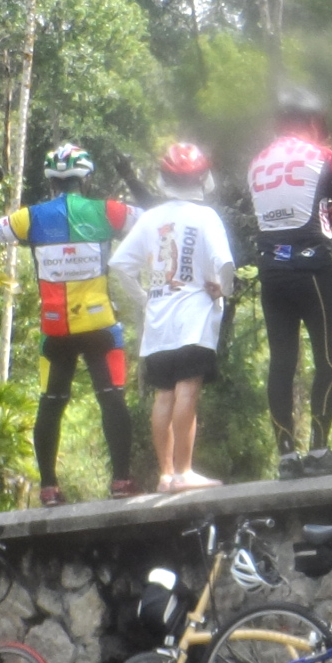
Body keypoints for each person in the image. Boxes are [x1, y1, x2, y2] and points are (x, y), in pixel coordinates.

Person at [0, 144, 139, 505]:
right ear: (86, 179)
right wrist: (129, 176)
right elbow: (158, 217)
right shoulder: (106, 211)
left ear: (51, 182)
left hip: (56, 330)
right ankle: (121, 482)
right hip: (101, 327)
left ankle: (49, 487)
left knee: (51, 404)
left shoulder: (31, 217)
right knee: (112, 400)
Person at [109, 143, 235, 492]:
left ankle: (165, 475)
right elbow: (225, 264)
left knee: (163, 394)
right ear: (202, 178)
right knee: (187, 391)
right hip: (193, 319)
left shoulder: (151, 218)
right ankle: (184, 472)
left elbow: (119, 264)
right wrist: (223, 290)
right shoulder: (205, 217)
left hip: (159, 323)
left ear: (164, 178)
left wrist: (145, 299)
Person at [247, 87, 332, 478]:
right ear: (312, 121)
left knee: (282, 363)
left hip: (270, 269)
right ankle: (319, 450)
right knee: (330, 357)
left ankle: (286, 457)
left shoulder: (256, 162)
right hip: (311, 269)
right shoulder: (323, 155)